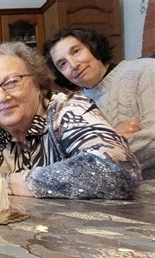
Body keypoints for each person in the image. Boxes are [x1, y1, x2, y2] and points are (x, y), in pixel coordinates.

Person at [0, 42, 141, 199]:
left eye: (12, 82)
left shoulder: (66, 110)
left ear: (37, 83)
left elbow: (118, 169)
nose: (1, 97)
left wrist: (10, 183)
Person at [43, 27, 155, 179]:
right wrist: (115, 136)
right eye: (62, 64)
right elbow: (67, 160)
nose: (73, 64)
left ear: (92, 47)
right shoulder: (75, 105)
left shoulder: (144, 69)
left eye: (76, 51)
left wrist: (101, 149)